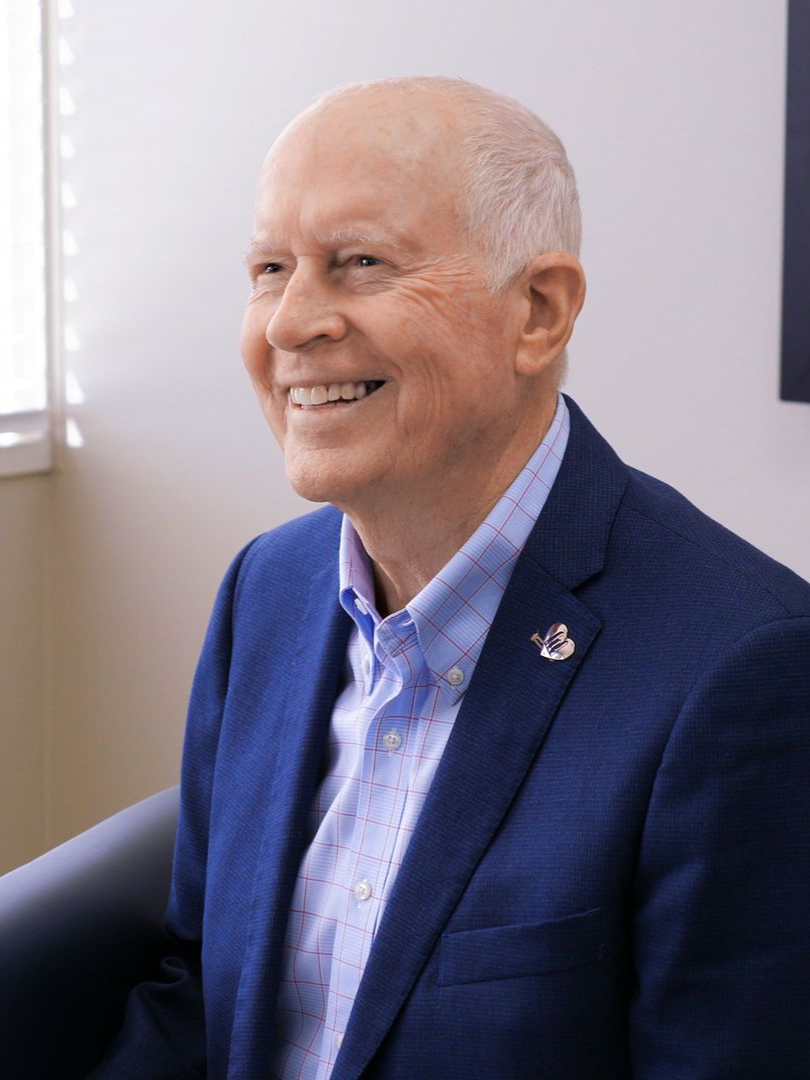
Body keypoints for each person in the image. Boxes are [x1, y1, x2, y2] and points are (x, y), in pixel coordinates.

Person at [93, 77, 810, 1079]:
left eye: (359, 264)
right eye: (268, 268)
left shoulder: (746, 674)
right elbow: (199, 990)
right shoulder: (266, 592)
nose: (291, 322)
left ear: (538, 311)